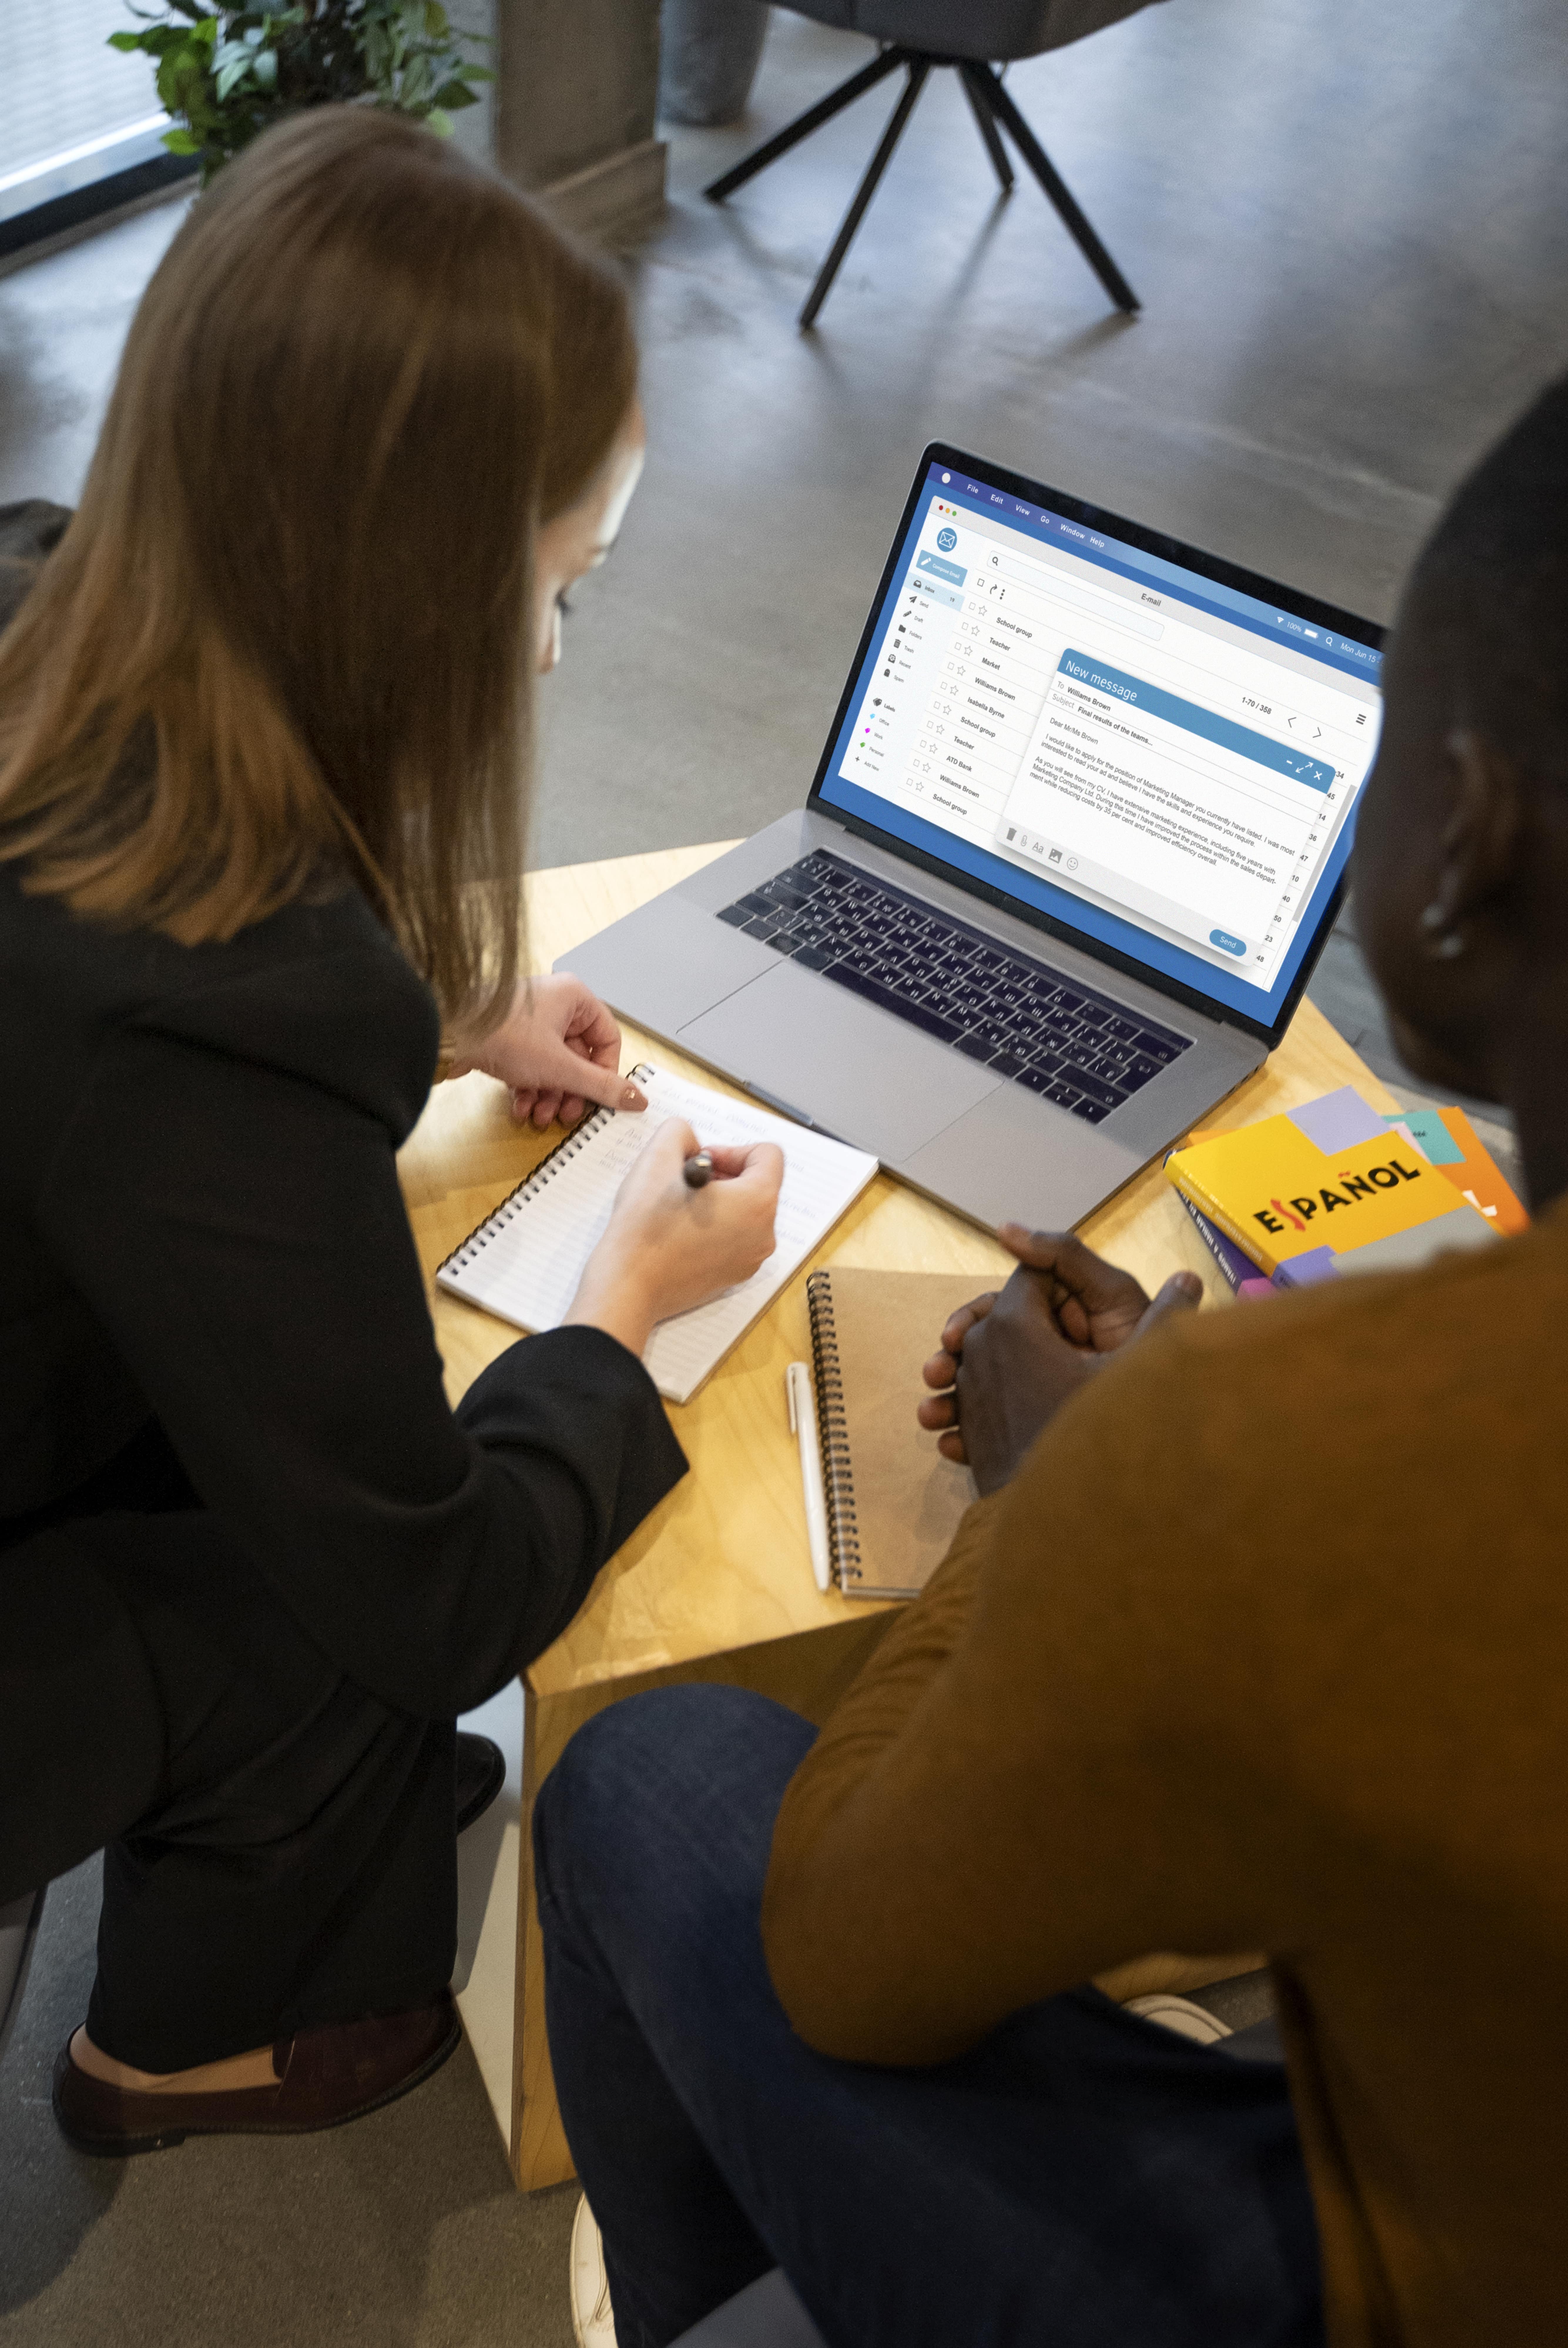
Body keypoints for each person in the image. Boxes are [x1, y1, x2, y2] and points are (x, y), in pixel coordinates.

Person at [533, 372, 1568, 2348]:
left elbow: (841, 1956)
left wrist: (1070, 1489)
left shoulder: (1290, 1452)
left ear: (1473, 842)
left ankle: (707, 2305)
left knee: (647, 1777)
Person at [0, 107, 783, 2156]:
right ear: (413, 597)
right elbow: (429, 1587)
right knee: (350, 1576)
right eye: (553, 589)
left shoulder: (41, 597)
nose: (543, 650)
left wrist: (438, 1016)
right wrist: (616, 1315)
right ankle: (182, 2043)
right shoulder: (235, 991)